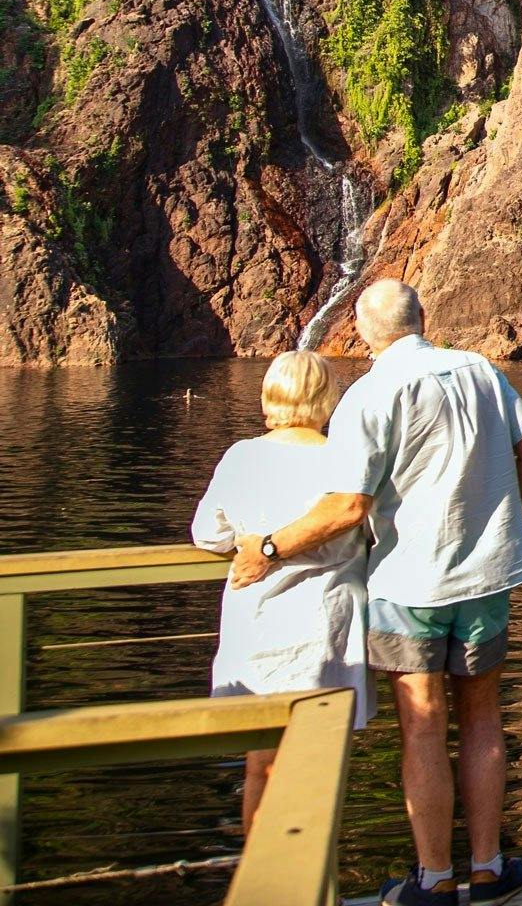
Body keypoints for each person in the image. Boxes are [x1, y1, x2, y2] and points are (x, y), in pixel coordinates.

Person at [231, 280, 522, 905]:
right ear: (423, 318)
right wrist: (499, 517)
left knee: (423, 727)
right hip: (487, 576)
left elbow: (348, 506)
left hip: (409, 582)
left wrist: (269, 547)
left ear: (361, 332)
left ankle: (434, 881)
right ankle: (488, 871)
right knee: (483, 716)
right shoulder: (481, 370)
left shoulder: (368, 395)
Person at [191, 350, 373, 832]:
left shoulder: (242, 457)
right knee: (319, 766)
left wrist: (251, 541)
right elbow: (372, 530)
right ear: (327, 398)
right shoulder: (343, 458)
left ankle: (263, 881)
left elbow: (207, 535)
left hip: (258, 624)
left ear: (270, 394)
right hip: (325, 625)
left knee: (262, 764)